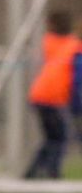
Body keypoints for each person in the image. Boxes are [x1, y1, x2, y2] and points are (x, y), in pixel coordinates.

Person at [25, 11, 79, 180]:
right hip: (54, 97)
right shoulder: (74, 46)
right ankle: (52, 173)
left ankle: (32, 173)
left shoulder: (48, 41)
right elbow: (77, 78)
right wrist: (77, 105)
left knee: (52, 137)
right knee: (60, 137)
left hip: (39, 94)